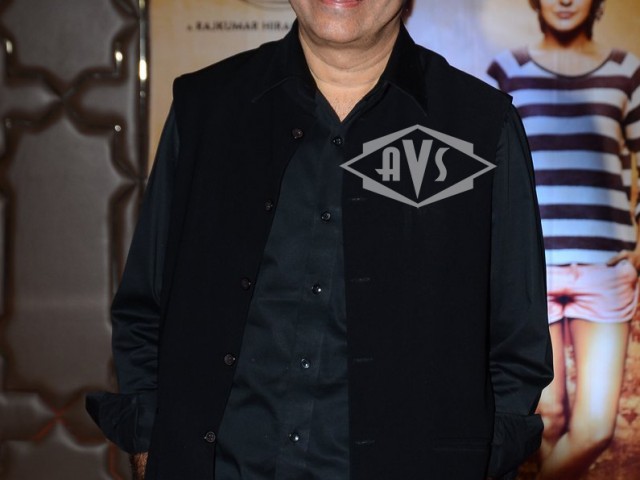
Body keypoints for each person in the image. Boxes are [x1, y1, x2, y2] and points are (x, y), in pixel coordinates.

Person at [87, 1, 553, 479]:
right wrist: (148, 447)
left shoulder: (479, 125)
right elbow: (145, 305)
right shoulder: (206, 107)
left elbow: (518, 346)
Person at [488, 0, 640, 478]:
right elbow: (488, 171)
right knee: (547, 421)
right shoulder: (506, 70)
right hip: (528, 272)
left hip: (605, 269)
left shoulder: (626, 71)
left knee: (594, 428)